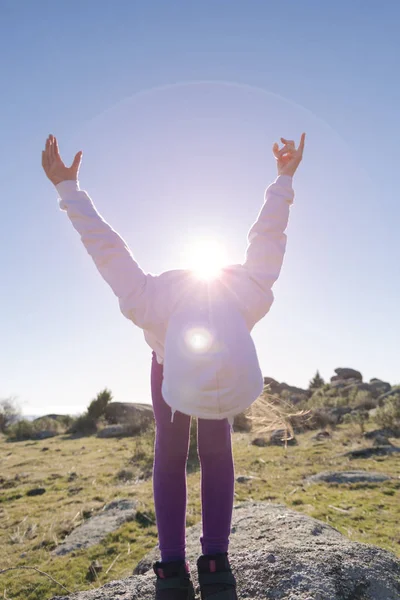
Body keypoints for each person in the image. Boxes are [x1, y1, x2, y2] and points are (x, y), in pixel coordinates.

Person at [42, 132, 305, 600]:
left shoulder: (247, 295)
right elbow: (107, 248)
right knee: (169, 452)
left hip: (211, 360)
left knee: (217, 451)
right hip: (170, 366)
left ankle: (214, 556)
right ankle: (171, 563)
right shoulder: (153, 302)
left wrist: (284, 178)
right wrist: (68, 191)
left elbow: (269, 236)